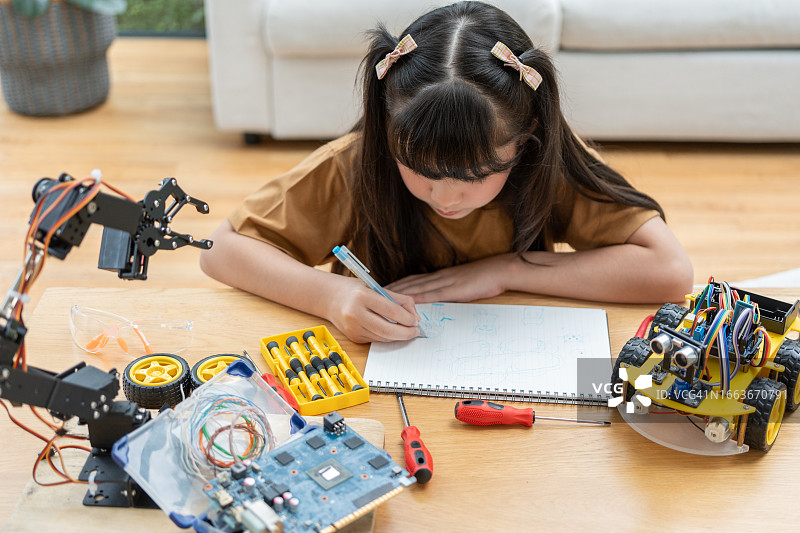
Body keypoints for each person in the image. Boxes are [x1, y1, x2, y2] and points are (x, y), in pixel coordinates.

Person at [200, 1, 693, 344]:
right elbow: (221, 250)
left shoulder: (548, 159)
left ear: (526, 138)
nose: (447, 197)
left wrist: (505, 271)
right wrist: (331, 296)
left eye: (476, 173)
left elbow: (670, 272)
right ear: (387, 130)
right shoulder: (355, 162)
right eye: (417, 167)